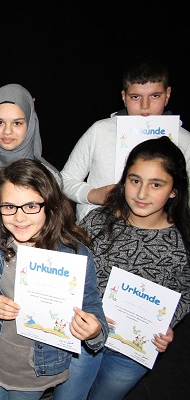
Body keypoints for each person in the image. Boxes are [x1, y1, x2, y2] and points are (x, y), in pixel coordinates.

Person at [0, 158, 108, 400]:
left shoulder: (74, 254)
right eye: (9, 206)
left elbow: (92, 306)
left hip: (36, 371)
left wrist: (94, 330)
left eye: (31, 206)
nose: (19, 217)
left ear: (50, 205)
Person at [78, 137, 190, 400]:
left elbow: (185, 291)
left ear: (174, 190)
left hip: (132, 349)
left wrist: (166, 323)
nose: (141, 194)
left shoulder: (182, 240)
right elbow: (72, 265)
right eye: (135, 180)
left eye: (156, 184)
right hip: (82, 338)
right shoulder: (97, 220)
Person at [61, 56, 190, 222]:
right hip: (97, 229)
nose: (145, 105)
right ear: (124, 96)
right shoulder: (99, 131)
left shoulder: (184, 140)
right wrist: (93, 194)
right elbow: (65, 179)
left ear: (167, 94)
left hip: (159, 233)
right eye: (135, 97)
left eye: (154, 96)